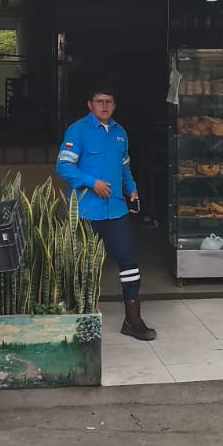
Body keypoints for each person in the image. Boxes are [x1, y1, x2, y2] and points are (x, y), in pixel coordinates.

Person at [55, 87, 156, 341]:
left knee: (128, 262)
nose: (104, 106)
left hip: (117, 209)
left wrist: (131, 189)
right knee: (83, 264)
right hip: (87, 210)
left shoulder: (120, 133)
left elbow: (124, 168)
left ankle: (132, 318)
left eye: (109, 101)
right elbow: (63, 166)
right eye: (99, 101)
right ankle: (80, 315)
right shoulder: (78, 130)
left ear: (114, 105)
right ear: (90, 104)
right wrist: (92, 182)